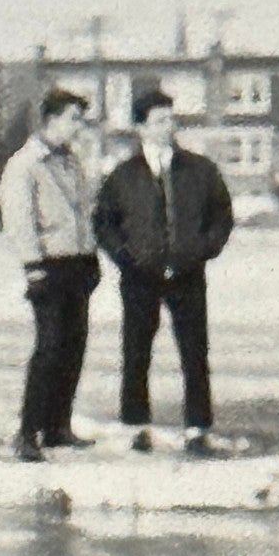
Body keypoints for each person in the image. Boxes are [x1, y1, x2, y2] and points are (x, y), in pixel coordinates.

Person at [94, 88, 234, 455]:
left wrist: (202, 250)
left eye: (171, 119)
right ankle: (136, 425)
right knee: (137, 350)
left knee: (194, 352)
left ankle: (198, 427)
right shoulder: (123, 176)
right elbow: (105, 223)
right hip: (140, 276)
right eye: (158, 121)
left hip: (188, 274)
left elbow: (221, 216)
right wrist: (126, 257)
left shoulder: (200, 170)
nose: (167, 126)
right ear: (141, 127)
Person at [0, 87, 102, 462]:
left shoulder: (70, 162)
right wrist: (33, 266)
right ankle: (28, 432)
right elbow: (19, 220)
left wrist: (91, 258)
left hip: (77, 263)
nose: (79, 127)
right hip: (48, 266)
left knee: (74, 346)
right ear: (52, 119)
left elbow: (83, 211)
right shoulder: (26, 164)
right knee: (49, 348)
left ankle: (59, 426)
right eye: (74, 118)